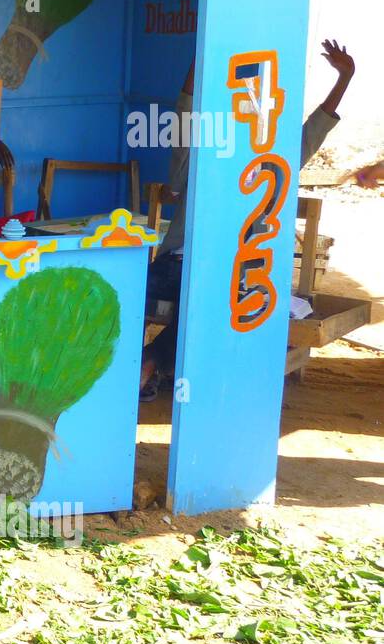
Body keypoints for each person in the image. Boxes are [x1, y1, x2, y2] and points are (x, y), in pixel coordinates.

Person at [140, 40, 355, 399]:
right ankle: (148, 364)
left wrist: (344, 79)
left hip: (211, 273)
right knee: (191, 295)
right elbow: (186, 112)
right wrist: (203, 48)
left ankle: (149, 364)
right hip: (186, 270)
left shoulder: (267, 159)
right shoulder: (215, 151)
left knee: (205, 297)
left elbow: (185, 112)